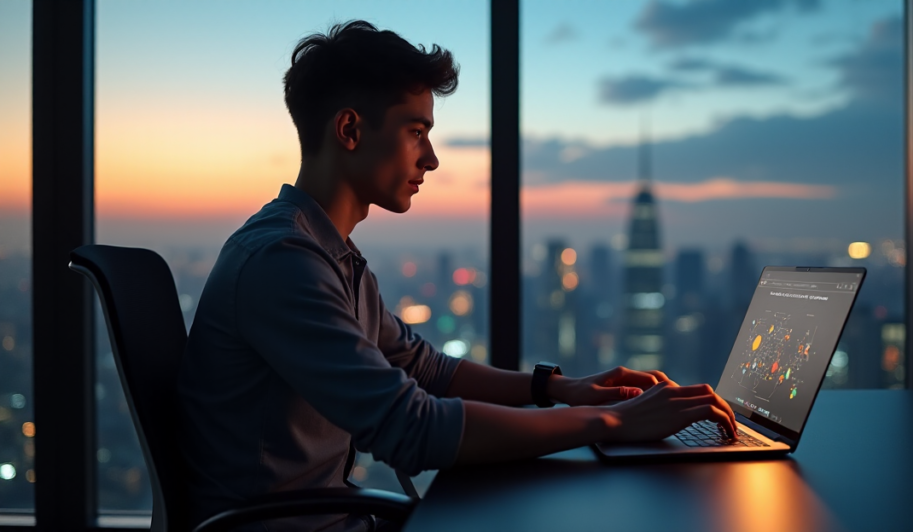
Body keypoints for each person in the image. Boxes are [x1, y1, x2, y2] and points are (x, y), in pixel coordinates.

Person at [177, 20, 738, 532]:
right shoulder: (284, 263)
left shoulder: (329, 255)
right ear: (349, 129)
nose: (432, 159)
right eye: (416, 131)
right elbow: (413, 428)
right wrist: (609, 422)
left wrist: (561, 388)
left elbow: (425, 368)